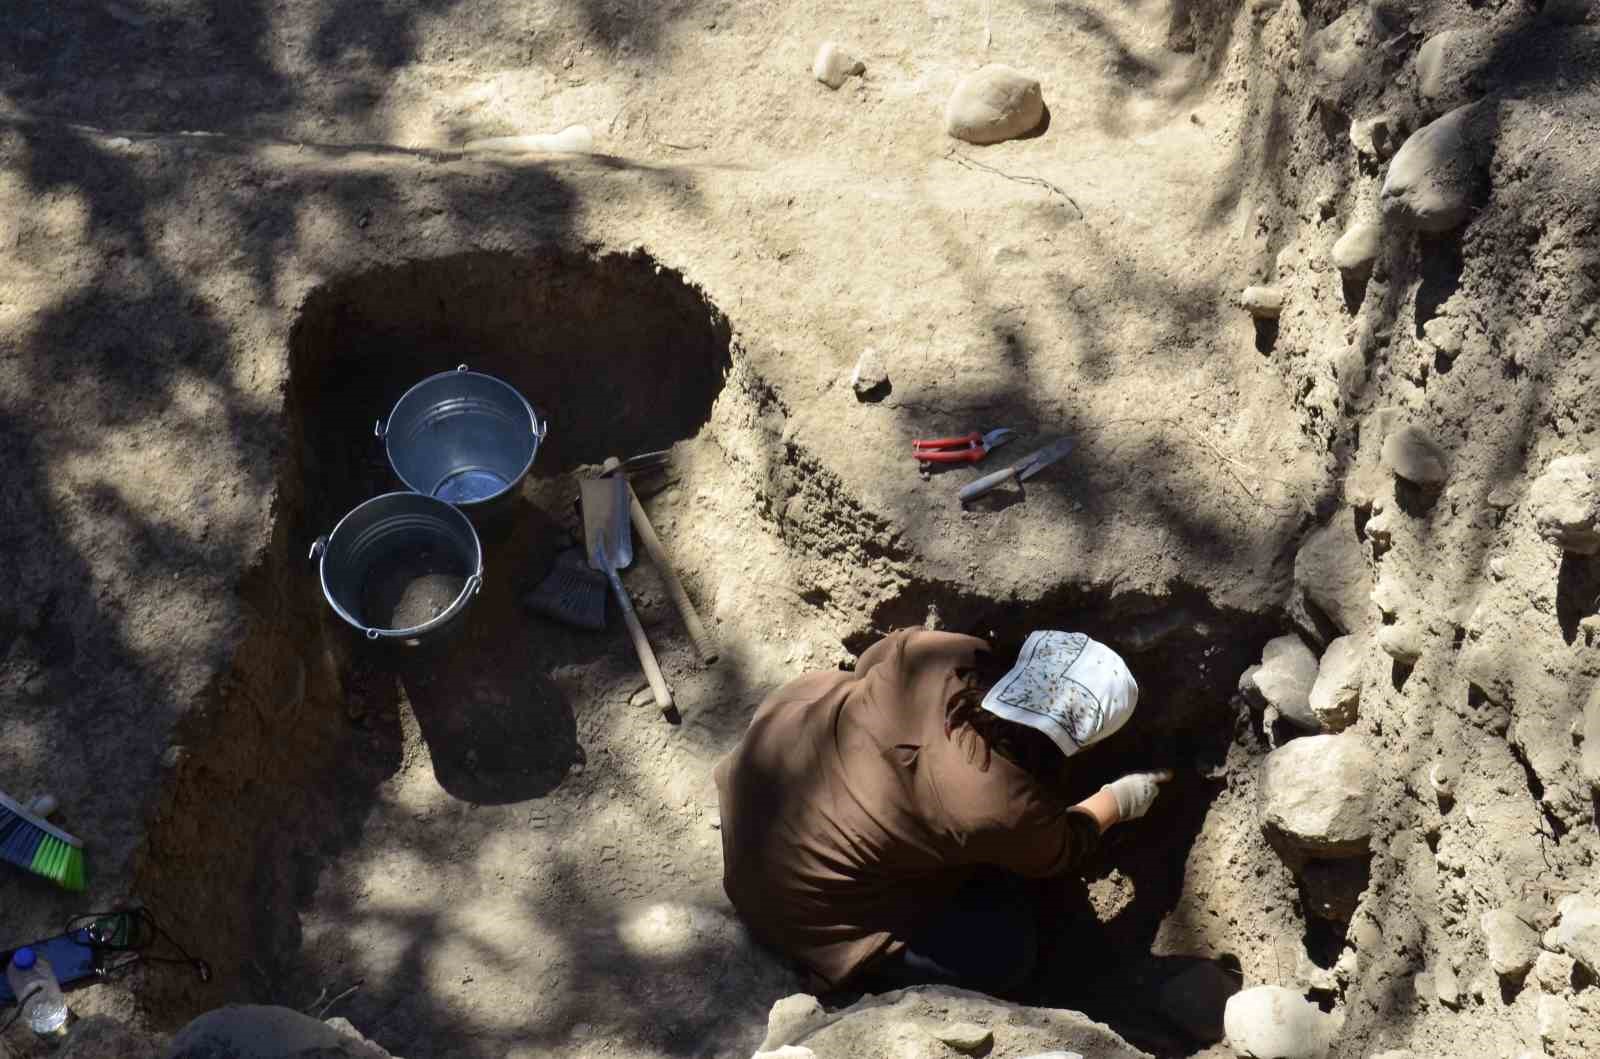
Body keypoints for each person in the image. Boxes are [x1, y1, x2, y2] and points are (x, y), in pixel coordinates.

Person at [714, 627, 1172, 995]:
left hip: (761, 780)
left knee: (845, 689)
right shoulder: (1006, 804)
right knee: (1010, 949)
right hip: (801, 908)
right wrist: (1121, 798)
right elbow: (1064, 849)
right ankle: (863, 979)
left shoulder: (944, 655)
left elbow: (870, 661)